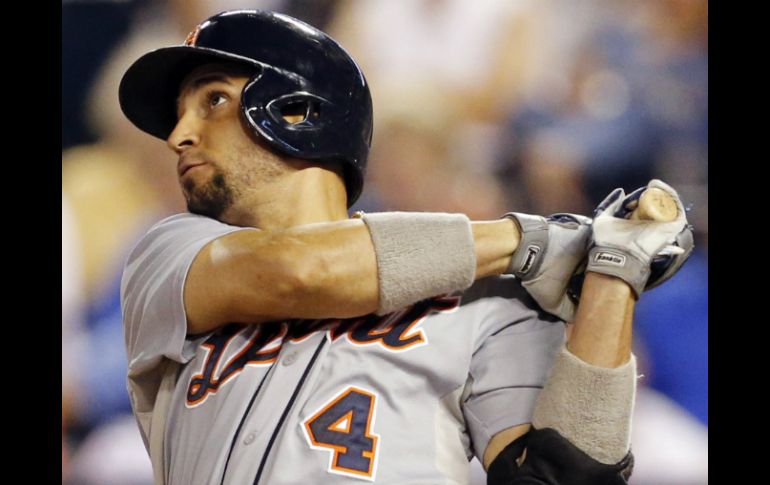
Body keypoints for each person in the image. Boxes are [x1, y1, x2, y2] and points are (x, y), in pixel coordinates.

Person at [118, 10, 692, 484]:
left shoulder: (485, 295)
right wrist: (536, 239)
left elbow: (561, 475)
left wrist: (614, 271)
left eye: (213, 101)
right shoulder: (169, 253)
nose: (178, 136)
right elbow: (300, 269)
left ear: (297, 112)